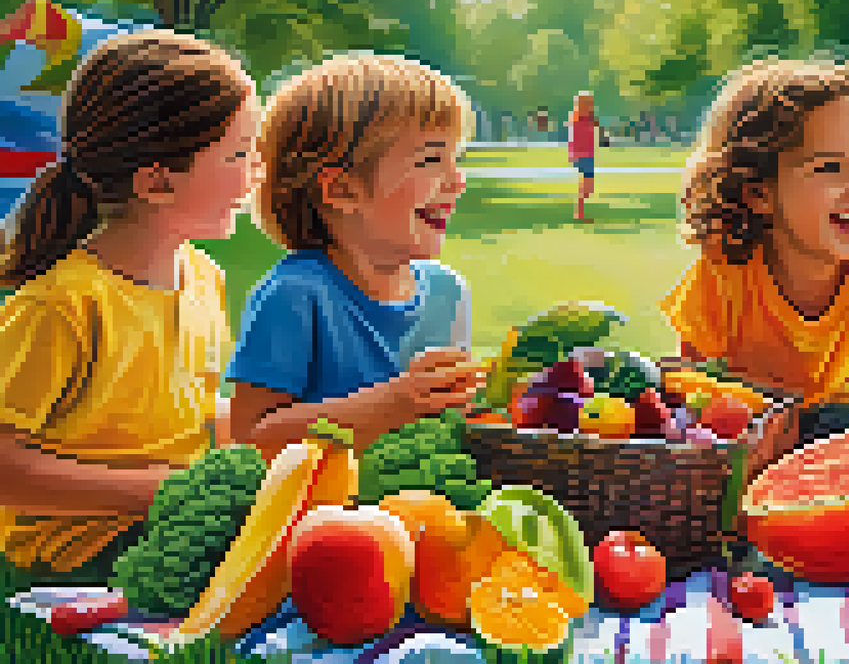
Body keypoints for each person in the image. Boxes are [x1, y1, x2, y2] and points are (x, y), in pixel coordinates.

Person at [0, 30, 262, 585]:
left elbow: (187, 409)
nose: (255, 172)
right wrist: (160, 490)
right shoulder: (62, 304)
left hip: (176, 515)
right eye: (239, 153)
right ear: (158, 182)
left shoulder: (202, 276)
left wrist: (267, 438)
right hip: (77, 546)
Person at [226, 54, 486, 457]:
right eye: (431, 159)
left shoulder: (448, 293)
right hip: (315, 516)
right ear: (342, 191)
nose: (458, 181)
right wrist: (396, 403)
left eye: (457, 158)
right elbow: (250, 442)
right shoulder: (295, 295)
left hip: (423, 513)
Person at [659, 58, 849, 418]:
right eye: (829, 167)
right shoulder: (722, 271)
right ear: (758, 193)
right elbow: (693, 405)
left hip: (834, 443)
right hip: (748, 440)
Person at [569, 91, 598, 222]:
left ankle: (580, 210)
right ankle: (580, 213)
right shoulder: (576, 118)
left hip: (589, 153)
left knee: (589, 187)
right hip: (582, 154)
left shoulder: (590, 118)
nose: (591, 104)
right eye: (588, 102)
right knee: (586, 185)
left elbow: (594, 133)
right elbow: (573, 138)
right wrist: (573, 153)